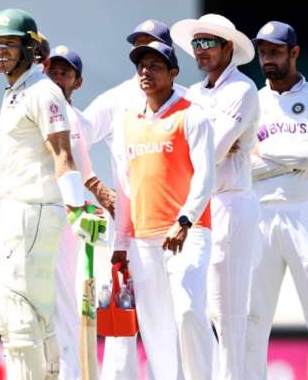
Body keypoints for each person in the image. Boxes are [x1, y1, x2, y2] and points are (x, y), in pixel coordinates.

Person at [0, 8, 85, 379]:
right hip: (18, 213)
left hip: (36, 211)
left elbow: (63, 155)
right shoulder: (16, 91)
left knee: (21, 316)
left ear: (30, 48)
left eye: (9, 44)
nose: (1, 52)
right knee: (20, 316)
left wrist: (77, 209)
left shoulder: (43, 91)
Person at [83, 19, 185, 380]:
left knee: (174, 320)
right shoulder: (116, 99)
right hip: (128, 229)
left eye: (152, 46)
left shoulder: (184, 100)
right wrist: (97, 187)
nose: (143, 57)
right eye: (138, 47)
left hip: (176, 230)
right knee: (121, 323)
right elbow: (74, 138)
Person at [245, 21, 308, 380]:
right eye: (262, 52)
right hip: (260, 214)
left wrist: (265, 151)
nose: (267, 59)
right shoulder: (251, 102)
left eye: (275, 52)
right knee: (252, 320)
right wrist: (294, 159)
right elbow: (241, 165)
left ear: (294, 52)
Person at [112, 41, 215, 380]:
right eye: (141, 65)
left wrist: (184, 221)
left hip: (188, 233)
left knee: (188, 312)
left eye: (155, 66)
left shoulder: (192, 114)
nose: (145, 71)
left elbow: (206, 175)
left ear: (173, 74)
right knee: (156, 331)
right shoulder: (128, 121)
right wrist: (121, 243)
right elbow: (125, 186)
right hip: (143, 239)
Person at [171, 13, 260, 380]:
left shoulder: (242, 89)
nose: (200, 50)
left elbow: (215, 150)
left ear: (228, 48)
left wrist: (199, 146)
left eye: (208, 43)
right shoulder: (193, 93)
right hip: (196, 207)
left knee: (228, 316)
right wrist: (199, 147)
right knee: (194, 309)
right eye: (196, 44)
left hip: (230, 202)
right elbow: (181, 149)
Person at [46, 45, 97, 380]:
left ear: (77, 82)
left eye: (64, 73)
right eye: (52, 71)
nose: (56, 77)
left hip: (66, 218)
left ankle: (69, 373)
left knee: (64, 298)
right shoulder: (33, 110)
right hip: (34, 213)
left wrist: (91, 204)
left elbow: (83, 170)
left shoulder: (81, 122)